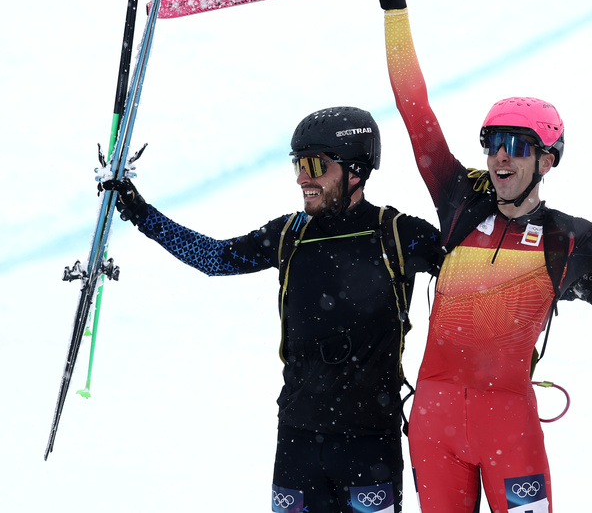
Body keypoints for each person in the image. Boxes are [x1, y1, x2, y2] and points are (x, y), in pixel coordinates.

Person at [371, 0, 592, 513]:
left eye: (518, 147)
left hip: (508, 421)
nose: (501, 158)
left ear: (548, 159)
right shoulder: (459, 202)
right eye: (494, 145)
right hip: (432, 420)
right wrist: (393, 5)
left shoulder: (568, 237)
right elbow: (414, 109)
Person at [102, 106, 440, 513]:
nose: (302, 178)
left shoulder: (398, 235)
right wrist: (138, 211)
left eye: (315, 164)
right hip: (298, 441)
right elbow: (216, 258)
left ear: (355, 170)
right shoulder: (290, 235)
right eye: (298, 164)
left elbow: (481, 274)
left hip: (368, 445)